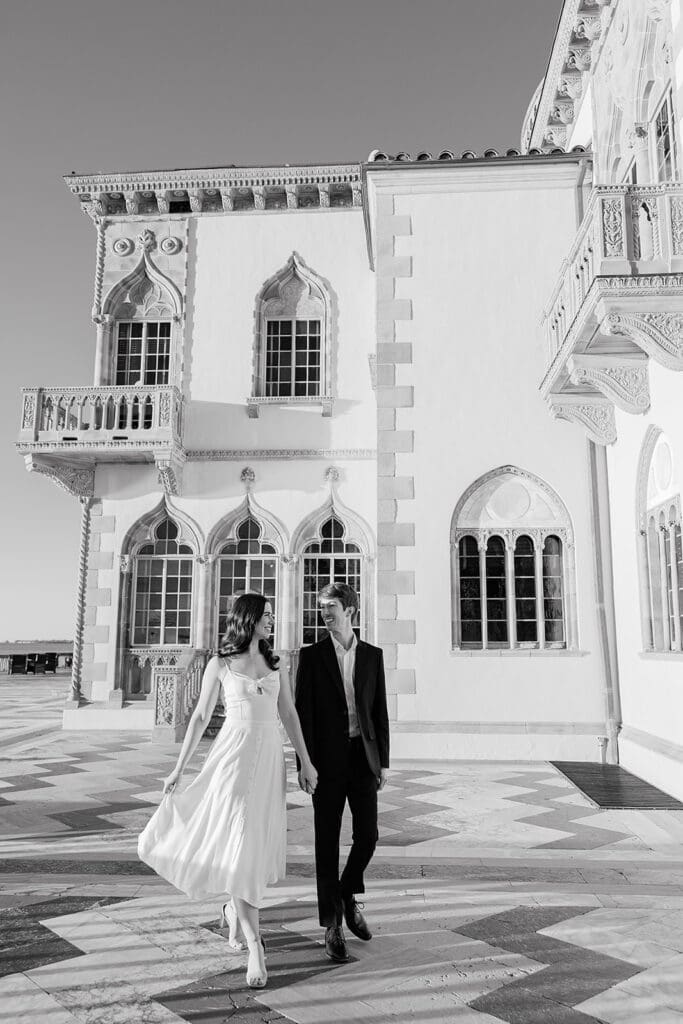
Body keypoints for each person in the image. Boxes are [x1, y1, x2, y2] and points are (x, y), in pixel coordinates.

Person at [138, 593, 317, 989]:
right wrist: (178, 768)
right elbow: (201, 716)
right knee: (238, 845)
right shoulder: (219, 664)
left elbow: (289, 714)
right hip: (232, 760)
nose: (272, 620)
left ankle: (234, 912)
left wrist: (305, 760)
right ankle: (256, 945)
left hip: (270, 761)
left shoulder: (276, 664)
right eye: (266, 615)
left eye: (272, 615)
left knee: (253, 844)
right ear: (249, 618)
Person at [295, 583, 390, 963]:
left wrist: (383, 761)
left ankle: (347, 893)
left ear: (350, 610)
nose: (324, 612)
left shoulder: (372, 656)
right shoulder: (312, 656)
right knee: (326, 842)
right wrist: (304, 763)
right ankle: (332, 925)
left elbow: (379, 711)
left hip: (363, 758)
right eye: (321, 607)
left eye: (331, 606)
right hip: (327, 762)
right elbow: (302, 715)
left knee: (368, 835)